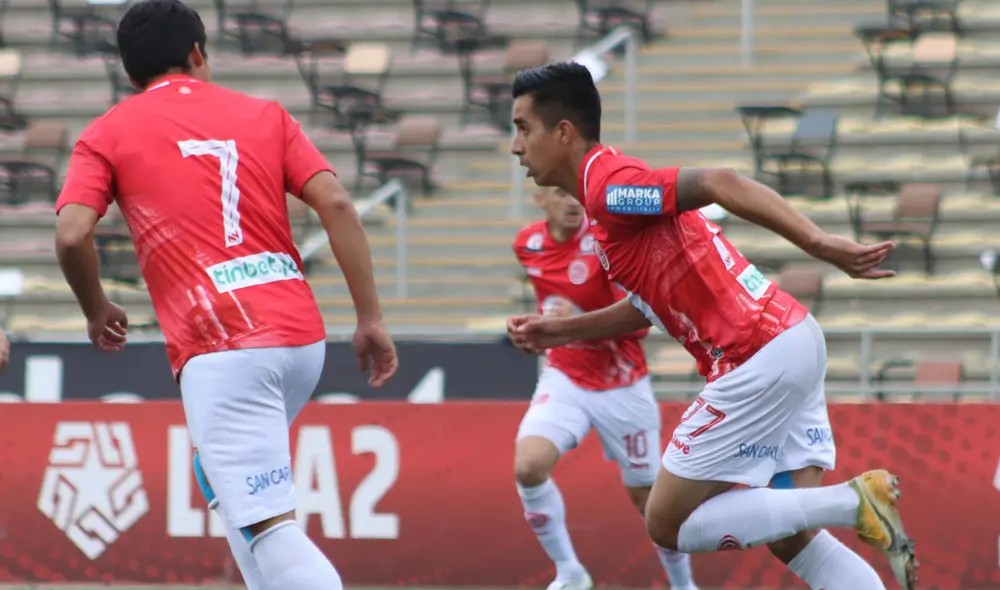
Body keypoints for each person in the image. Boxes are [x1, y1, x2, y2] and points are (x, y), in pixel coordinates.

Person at [504, 62, 917, 590]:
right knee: (794, 534)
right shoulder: (606, 197)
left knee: (665, 522)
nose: (516, 147)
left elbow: (720, 181)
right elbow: (647, 307)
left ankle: (852, 501)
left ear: (562, 133)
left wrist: (821, 244)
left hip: (757, 355)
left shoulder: (609, 189)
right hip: (792, 339)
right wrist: (557, 332)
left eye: (522, 128)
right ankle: (853, 508)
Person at [53, 1, 397, 588]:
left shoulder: (107, 131)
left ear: (130, 72)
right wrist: (369, 316)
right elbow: (338, 203)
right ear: (196, 54)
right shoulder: (265, 113)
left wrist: (97, 308)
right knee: (220, 478)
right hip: (299, 338)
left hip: (223, 344)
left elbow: (71, 232)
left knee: (269, 523)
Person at [513, 186, 699, 590]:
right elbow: (550, 306)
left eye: (576, 192)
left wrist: (570, 321)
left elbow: (639, 323)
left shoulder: (604, 244)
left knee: (652, 508)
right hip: (566, 375)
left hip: (622, 383)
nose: (572, 201)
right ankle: (570, 572)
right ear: (539, 197)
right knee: (528, 466)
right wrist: (535, 329)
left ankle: (684, 586)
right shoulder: (526, 244)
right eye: (559, 193)